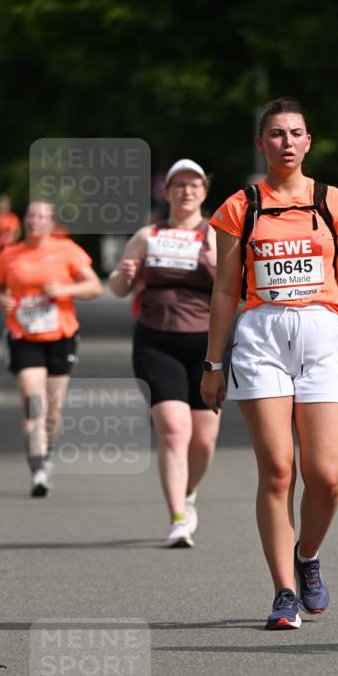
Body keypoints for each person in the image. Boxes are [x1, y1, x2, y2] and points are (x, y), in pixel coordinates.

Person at [201, 97, 338, 630]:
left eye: (295, 133)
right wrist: (214, 363)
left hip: (322, 333)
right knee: (278, 469)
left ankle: (307, 557)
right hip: (261, 336)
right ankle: (282, 591)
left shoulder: (333, 202)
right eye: (275, 134)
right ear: (261, 144)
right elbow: (225, 290)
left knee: (326, 476)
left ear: (308, 142)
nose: (286, 142)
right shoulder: (241, 206)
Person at [109, 159, 220, 548]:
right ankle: (176, 518)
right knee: (174, 430)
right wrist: (124, 274)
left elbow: (239, 288)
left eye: (194, 185)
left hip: (208, 345)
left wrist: (215, 264)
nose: (186, 192)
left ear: (204, 192)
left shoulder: (218, 236)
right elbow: (118, 288)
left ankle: (189, 493)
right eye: (179, 185)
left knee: (204, 441)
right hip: (157, 341)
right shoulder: (148, 235)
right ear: (167, 192)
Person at [0, 200, 102, 496]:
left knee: (53, 409)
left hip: (60, 336)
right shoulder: (10, 254)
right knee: (34, 403)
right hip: (23, 337)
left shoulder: (66, 250)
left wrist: (64, 290)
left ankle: (47, 450)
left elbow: (94, 286)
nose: (35, 221)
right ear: (24, 221)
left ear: (51, 223)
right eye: (31, 215)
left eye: (42, 217)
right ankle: (39, 467)